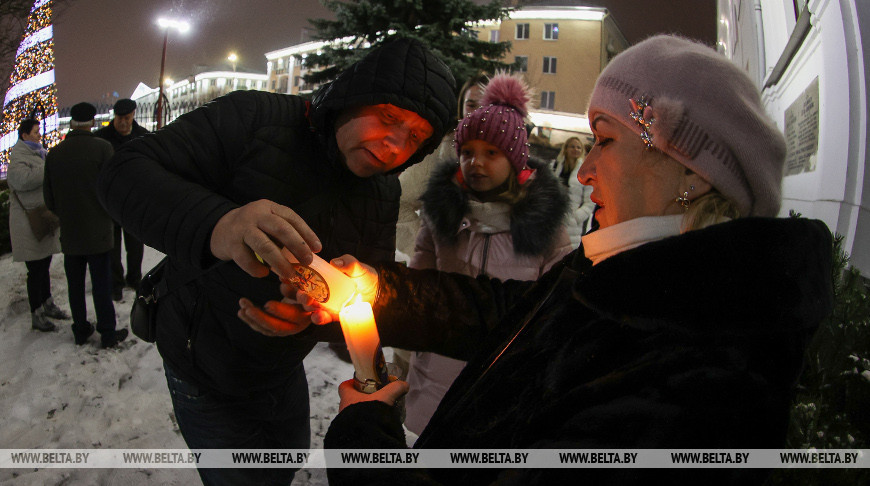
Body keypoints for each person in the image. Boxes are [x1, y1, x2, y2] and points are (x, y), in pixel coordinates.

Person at [240, 35, 835, 484]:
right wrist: (377, 287)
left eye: (605, 139)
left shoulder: (703, 378)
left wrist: (364, 435)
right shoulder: (633, 280)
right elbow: (515, 314)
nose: (585, 170)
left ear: (692, 172)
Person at [97, 38, 455, 486]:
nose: (394, 144)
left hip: (282, 371)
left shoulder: (384, 191)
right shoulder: (253, 120)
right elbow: (122, 174)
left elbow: (360, 299)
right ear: (356, 93)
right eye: (388, 117)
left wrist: (313, 318)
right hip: (204, 364)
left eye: (416, 137)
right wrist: (220, 224)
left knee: (282, 465)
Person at [402, 72, 573, 436]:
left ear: (515, 160)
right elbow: (419, 287)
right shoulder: (442, 215)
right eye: (467, 152)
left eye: (491, 153)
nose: (475, 162)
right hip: (436, 377)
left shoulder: (544, 226)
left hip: (505, 383)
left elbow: (557, 303)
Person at [44, 103, 127, 348]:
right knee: (102, 285)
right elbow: (113, 188)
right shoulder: (103, 149)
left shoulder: (55, 154)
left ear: (71, 122)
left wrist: (67, 214)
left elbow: (49, 199)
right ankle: (108, 333)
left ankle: (80, 330)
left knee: (75, 286)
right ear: (92, 122)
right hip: (99, 232)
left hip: (70, 233)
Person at [395, 72, 489, 261]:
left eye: (486, 105)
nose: (477, 112)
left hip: (494, 275)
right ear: (461, 106)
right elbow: (400, 201)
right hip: (442, 271)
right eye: (471, 105)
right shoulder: (441, 150)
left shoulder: (512, 156)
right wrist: (421, 246)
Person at [7, 118, 68, 332]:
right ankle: (37, 312)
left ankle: (47, 302)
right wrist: (46, 169)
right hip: (28, 222)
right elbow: (20, 180)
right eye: (34, 132)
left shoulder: (39, 153)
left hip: (42, 217)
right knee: (35, 269)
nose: (38, 136)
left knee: (44, 265)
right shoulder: (19, 156)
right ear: (24, 135)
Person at [95, 98, 148, 301]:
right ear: (114, 117)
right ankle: (115, 282)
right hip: (110, 201)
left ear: (133, 115)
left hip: (134, 202)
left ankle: (134, 278)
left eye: (126, 118)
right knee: (113, 245)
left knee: (135, 244)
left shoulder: (142, 136)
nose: (123, 122)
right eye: (119, 118)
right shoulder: (101, 138)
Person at [550, 136, 595, 244]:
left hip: (572, 226)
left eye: (579, 147)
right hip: (552, 220)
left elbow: (590, 201)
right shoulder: (554, 167)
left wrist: (576, 217)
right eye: (572, 147)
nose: (576, 149)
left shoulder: (585, 172)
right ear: (566, 149)